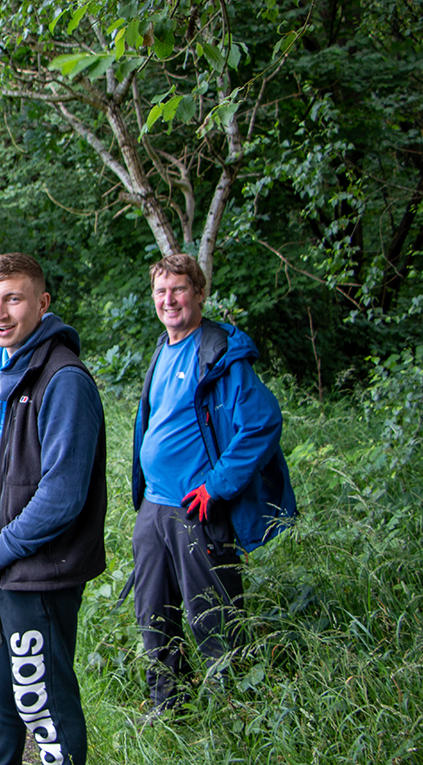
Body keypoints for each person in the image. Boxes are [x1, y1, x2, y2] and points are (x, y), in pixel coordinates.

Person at [0, 252, 106, 765]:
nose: (0, 313)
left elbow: (62, 495)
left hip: (36, 574)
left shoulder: (64, 380)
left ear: (42, 302)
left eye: (13, 299)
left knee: (43, 710)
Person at [131, 253, 296, 720]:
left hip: (197, 509)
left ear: (199, 294)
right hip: (155, 508)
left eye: (179, 289)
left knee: (214, 614)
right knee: (153, 614)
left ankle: (235, 712)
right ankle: (169, 708)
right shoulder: (162, 351)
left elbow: (261, 423)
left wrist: (217, 486)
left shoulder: (219, 351)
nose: (169, 300)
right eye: (161, 291)